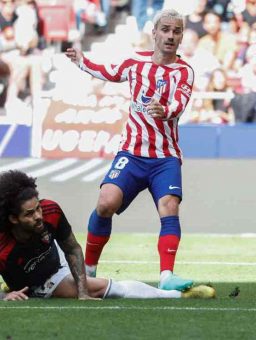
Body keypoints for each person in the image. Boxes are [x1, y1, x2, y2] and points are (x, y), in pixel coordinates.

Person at [64, 8, 195, 292]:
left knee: (169, 206)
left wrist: (165, 110)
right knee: (105, 202)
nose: (171, 36)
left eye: (176, 31)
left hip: (165, 157)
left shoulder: (184, 71)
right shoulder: (135, 62)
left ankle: (166, 275)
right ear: (155, 33)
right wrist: (81, 61)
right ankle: (87, 270)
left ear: (181, 36)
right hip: (132, 154)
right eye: (166, 30)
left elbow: (179, 104)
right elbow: (108, 72)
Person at [0, 170, 215, 301]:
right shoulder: (2, 246)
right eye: (29, 213)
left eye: (37, 208)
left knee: (87, 287)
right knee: (104, 288)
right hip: (41, 281)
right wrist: (4, 297)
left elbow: (72, 248)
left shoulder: (50, 211)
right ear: (12, 219)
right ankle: (178, 296)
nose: (39, 216)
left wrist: (82, 290)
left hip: (57, 261)